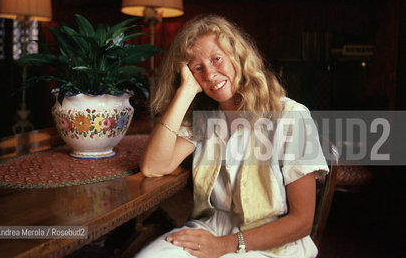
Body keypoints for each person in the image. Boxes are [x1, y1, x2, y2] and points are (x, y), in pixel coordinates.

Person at [136, 15, 328, 258]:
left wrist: (225, 245)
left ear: (237, 56)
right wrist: (186, 90)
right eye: (197, 68)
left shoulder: (291, 117)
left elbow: (301, 222)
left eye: (217, 59)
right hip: (212, 226)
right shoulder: (203, 118)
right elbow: (154, 167)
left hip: (272, 237)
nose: (210, 74)